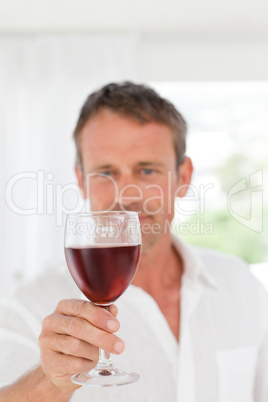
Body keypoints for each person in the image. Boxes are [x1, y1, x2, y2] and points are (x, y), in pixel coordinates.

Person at [0, 82, 267, 402]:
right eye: (106, 173)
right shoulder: (30, 307)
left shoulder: (241, 285)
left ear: (183, 177)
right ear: (82, 181)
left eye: (147, 170)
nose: (127, 195)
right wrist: (50, 383)